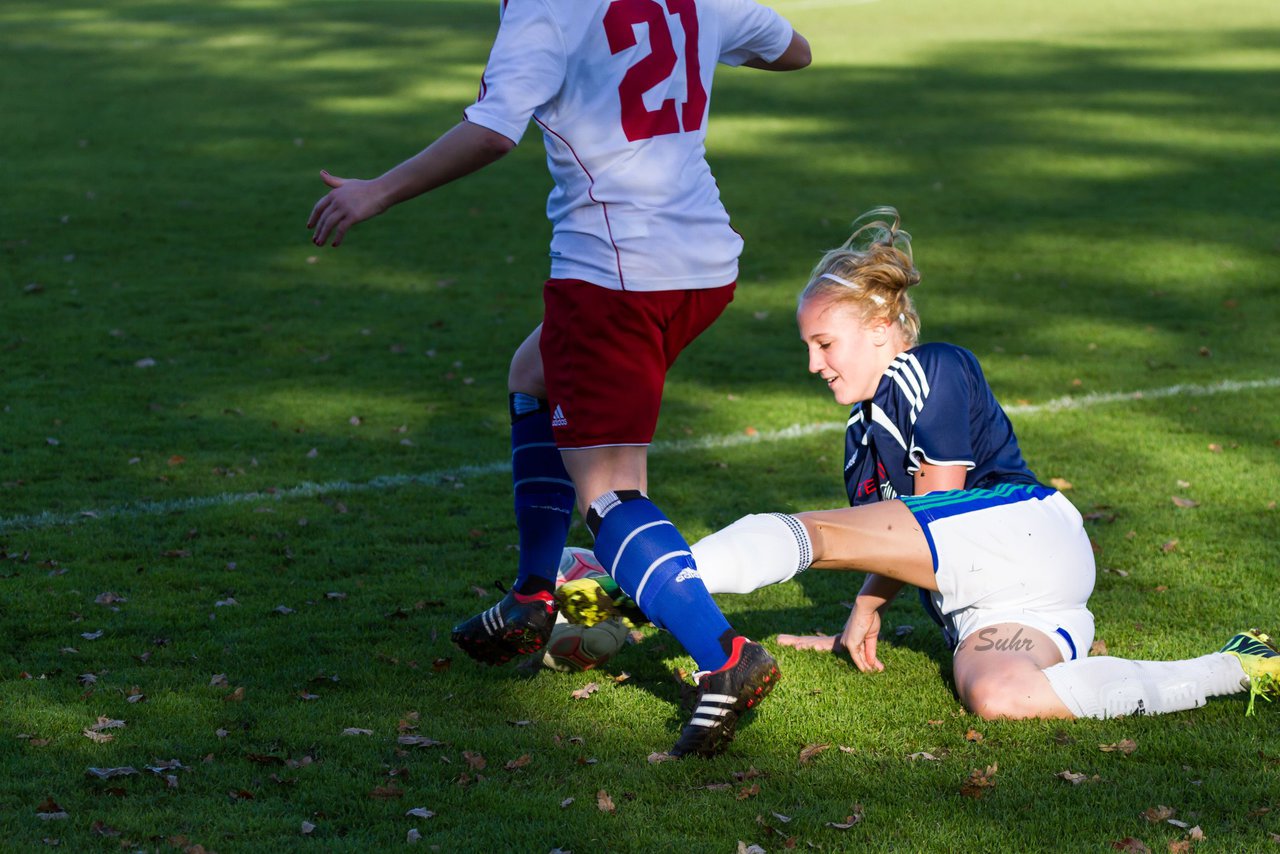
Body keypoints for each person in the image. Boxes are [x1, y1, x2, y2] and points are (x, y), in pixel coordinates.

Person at [307, 0, 811, 755]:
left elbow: (490, 132)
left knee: (608, 494)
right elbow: (795, 51)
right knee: (531, 375)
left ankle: (725, 658)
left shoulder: (546, 8)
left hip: (613, 272)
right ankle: (533, 596)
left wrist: (375, 190)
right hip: (702, 264)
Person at [562, 207, 1279, 721]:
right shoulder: (858, 435)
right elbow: (906, 544)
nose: (814, 364)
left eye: (824, 344)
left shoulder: (929, 369)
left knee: (810, 531)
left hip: (1028, 535)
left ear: (879, 330)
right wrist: (858, 618)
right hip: (1012, 608)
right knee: (999, 697)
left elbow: (935, 504)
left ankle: (648, 577)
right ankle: (1235, 666)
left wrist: (865, 602)